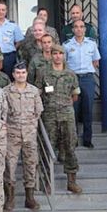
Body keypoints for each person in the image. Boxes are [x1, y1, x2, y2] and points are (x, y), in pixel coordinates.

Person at [35, 44, 82, 194]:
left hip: (67, 114)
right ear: (51, 55)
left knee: (70, 146)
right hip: (49, 114)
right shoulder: (43, 73)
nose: (57, 56)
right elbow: (38, 93)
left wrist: (63, 104)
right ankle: (47, 181)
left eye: (60, 54)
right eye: (54, 53)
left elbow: (75, 95)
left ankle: (71, 181)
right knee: (49, 147)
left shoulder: (70, 74)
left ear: (64, 56)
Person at [2, 62, 43, 211]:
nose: (21, 75)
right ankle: (10, 198)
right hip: (11, 135)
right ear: (13, 75)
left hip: (29, 135)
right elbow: (2, 112)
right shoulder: (5, 91)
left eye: (23, 73)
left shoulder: (33, 91)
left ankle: (29, 197)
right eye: (18, 73)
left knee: (31, 165)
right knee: (9, 167)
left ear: (26, 74)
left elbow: (38, 111)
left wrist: (30, 125)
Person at [63, 20, 101, 149]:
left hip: (87, 79)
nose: (79, 29)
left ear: (85, 29)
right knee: (73, 109)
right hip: (73, 80)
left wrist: (86, 70)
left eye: (81, 27)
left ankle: (87, 139)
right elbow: (63, 63)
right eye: (76, 27)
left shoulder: (91, 44)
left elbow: (96, 61)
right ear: (73, 30)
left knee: (87, 109)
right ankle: (73, 139)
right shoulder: (67, 45)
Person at [0, 1, 24, 78]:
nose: (1, 12)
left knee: (10, 78)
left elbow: (19, 41)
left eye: (3, 10)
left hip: (9, 57)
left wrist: (11, 48)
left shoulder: (13, 26)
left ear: (6, 11)